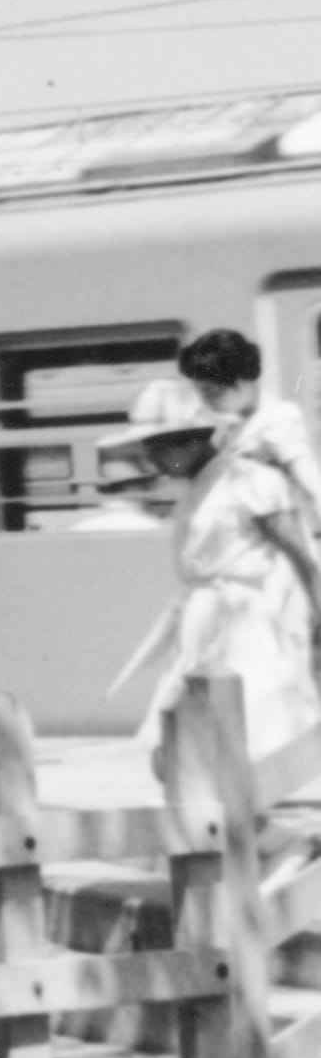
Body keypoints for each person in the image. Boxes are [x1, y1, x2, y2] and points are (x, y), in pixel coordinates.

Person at [122, 373, 321, 790]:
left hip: (247, 629)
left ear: (194, 438)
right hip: (201, 627)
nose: (152, 460)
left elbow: (301, 556)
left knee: (257, 737)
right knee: (180, 743)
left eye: (160, 447)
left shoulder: (252, 481)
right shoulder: (194, 489)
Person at [182, 325, 321, 539]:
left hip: (277, 548)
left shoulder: (277, 421)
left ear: (241, 379)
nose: (205, 402)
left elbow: (313, 483)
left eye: (212, 393)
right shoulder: (238, 427)